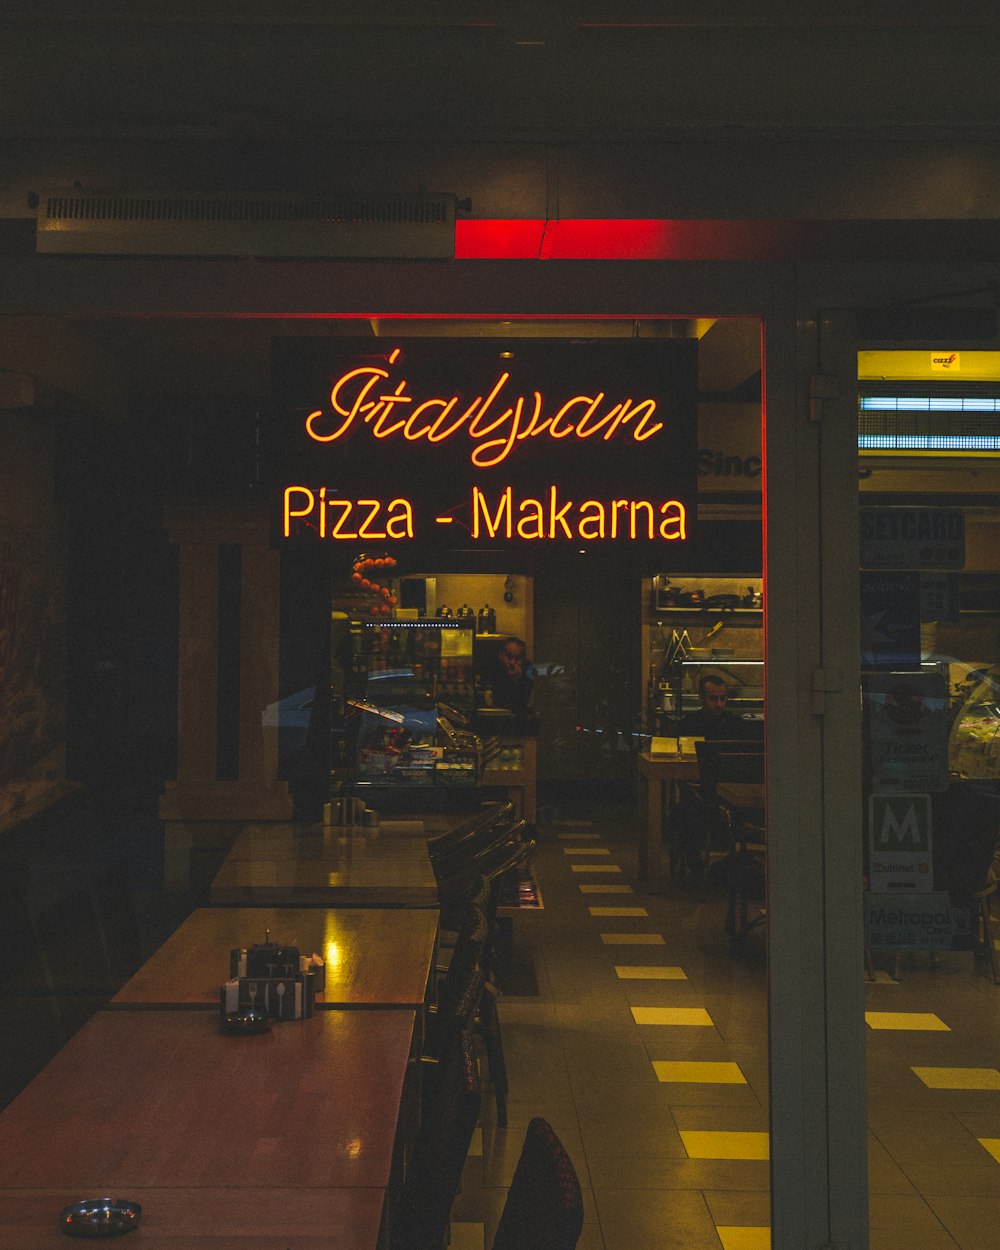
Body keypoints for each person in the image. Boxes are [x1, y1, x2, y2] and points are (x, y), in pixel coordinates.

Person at [677, 672, 751, 741]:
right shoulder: (689, 725)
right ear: (701, 698)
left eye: (722, 698)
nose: (718, 704)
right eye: (713, 699)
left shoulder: (736, 724)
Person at [487, 636, 534, 711]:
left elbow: (523, 704)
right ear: (501, 655)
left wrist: (516, 679)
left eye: (518, 658)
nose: (512, 662)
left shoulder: (529, 671)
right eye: (509, 656)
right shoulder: (493, 669)